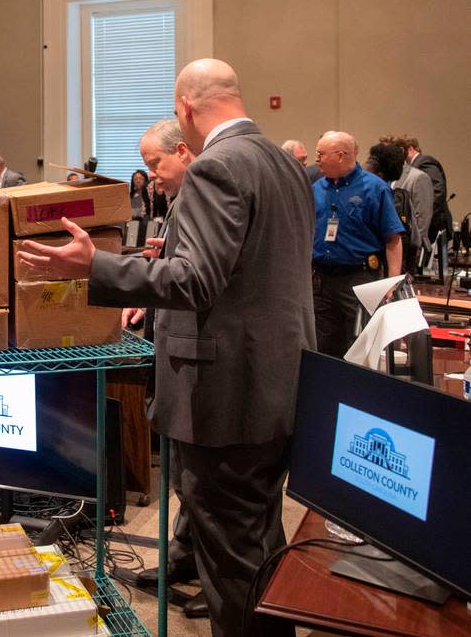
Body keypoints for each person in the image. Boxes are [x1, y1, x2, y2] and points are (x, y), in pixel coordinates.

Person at [19, 59, 314, 637]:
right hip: (280, 381)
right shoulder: (284, 161)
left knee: (232, 565)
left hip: (226, 396)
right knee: (259, 543)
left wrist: (96, 265)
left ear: (184, 109)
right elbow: (249, 274)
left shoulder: (218, 167)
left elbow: (195, 282)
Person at [117, 119, 207, 618]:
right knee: (181, 475)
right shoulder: (179, 201)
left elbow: (198, 280)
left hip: (202, 359)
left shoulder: (206, 195)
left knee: (197, 479)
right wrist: (146, 301)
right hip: (170, 344)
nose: (151, 177)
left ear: (183, 151)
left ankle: (215, 582)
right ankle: (186, 557)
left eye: (156, 164)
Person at [312, 131, 403, 359]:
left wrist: (392, 282)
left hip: (358, 280)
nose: (317, 159)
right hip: (321, 281)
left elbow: (393, 239)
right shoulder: (316, 188)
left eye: (321, 153)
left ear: (341, 156)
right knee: (322, 348)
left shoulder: (375, 188)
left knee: (360, 347)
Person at [370, 139, 432, 274]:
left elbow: (422, 216)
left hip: (404, 251)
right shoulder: (374, 183)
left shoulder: (418, 177)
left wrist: (414, 252)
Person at [402, 136, 452, 244]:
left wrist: (426, 215)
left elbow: (437, 191)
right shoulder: (416, 165)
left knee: (435, 260)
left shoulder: (424, 162)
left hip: (433, 226)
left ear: (410, 149)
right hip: (429, 226)